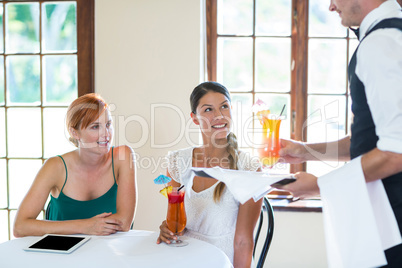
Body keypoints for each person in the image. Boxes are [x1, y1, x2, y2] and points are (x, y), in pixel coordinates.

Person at [278, 0, 402, 266]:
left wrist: (317, 186)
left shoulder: (380, 44)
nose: (331, 7)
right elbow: (373, 140)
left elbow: (395, 153)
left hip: (395, 223)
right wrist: (303, 149)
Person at [156, 82, 262, 267]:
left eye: (224, 106)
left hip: (224, 261)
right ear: (195, 118)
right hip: (183, 258)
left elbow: (244, 242)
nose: (219, 116)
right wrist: (166, 228)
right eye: (208, 110)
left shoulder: (249, 169)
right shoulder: (177, 161)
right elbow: (175, 222)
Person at [13, 93, 137, 237]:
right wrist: (86, 226)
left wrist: (90, 226)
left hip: (106, 253)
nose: (106, 134)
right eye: (95, 127)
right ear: (74, 132)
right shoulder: (55, 166)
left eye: (108, 124)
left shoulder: (123, 156)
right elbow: (20, 227)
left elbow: (124, 222)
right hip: (60, 254)